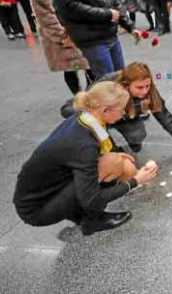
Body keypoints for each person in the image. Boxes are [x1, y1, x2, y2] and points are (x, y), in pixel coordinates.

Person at [13, 81, 159, 235]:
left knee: (124, 164)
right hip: (36, 210)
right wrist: (135, 182)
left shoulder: (87, 118)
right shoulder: (85, 145)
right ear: (106, 110)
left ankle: (81, 216)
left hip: (47, 190)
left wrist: (118, 154)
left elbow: (106, 145)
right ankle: (92, 220)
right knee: (113, 164)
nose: (123, 113)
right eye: (122, 109)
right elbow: (91, 199)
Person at [62, 62, 172, 155]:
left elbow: (165, 117)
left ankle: (131, 141)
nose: (144, 91)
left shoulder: (149, 91)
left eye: (147, 86)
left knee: (137, 135)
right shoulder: (108, 85)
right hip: (102, 116)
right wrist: (113, 152)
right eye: (139, 87)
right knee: (99, 137)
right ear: (126, 85)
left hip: (125, 117)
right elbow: (80, 104)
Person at [28, 0, 93, 95]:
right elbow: (44, 12)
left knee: (89, 65)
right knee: (69, 68)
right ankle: (78, 98)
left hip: (78, 27)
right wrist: (61, 36)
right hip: (60, 32)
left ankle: (90, 97)